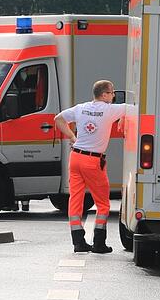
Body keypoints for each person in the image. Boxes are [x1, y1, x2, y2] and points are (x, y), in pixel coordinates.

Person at [54, 80, 127, 253]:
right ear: (104, 95)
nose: (114, 95)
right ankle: (99, 243)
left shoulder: (81, 108)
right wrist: (123, 118)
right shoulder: (109, 110)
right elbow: (135, 108)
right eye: (111, 92)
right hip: (93, 161)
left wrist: (72, 137)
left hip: (76, 157)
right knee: (102, 203)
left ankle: (78, 241)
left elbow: (58, 119)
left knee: (76, 200)